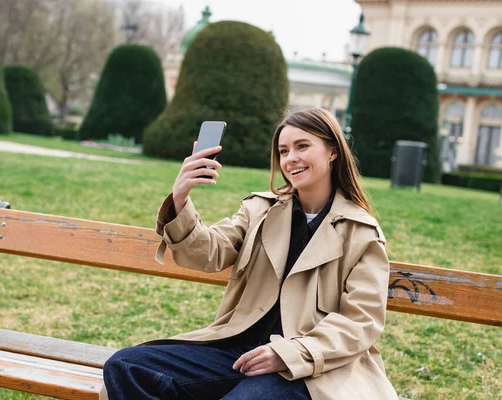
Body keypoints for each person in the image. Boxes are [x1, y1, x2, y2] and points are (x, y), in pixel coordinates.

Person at [101, 108, 398, 400]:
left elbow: (360, 321)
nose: (291, 158)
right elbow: (209, 253)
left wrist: (287, 354)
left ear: (332, 151)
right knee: (125, 367)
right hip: (238, 352)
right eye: (283, 151)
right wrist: (180, 198)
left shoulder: (361, 232)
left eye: (302, 146)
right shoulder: (260, 210)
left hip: (309, 369)